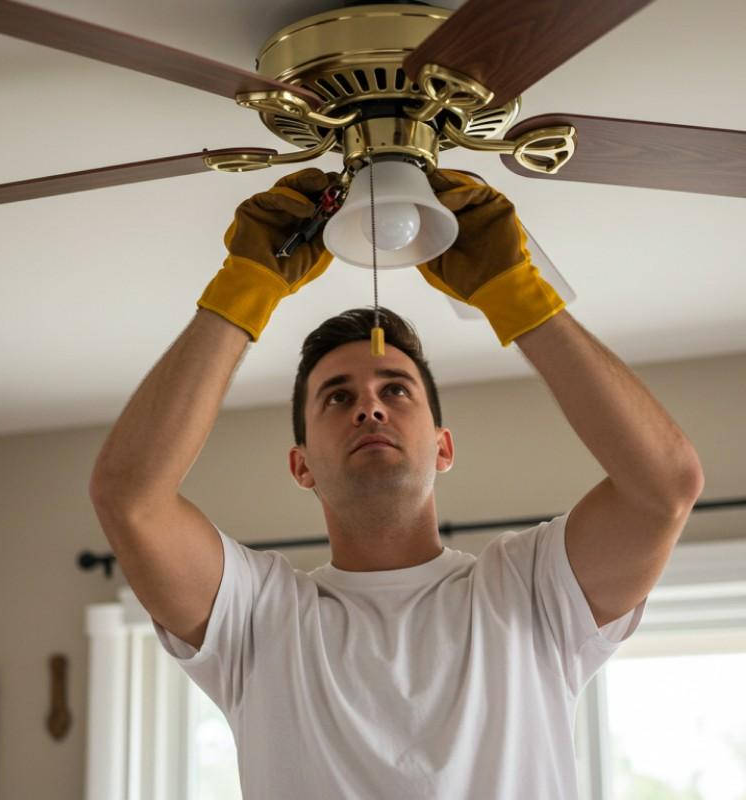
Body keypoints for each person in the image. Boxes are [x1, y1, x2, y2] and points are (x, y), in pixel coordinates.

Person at [89, 167, 704, 799]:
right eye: (337, 397)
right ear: (301, 465)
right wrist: (245, 287)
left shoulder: (529, 591)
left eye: (396, 391)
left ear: (443, 448)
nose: (370, 408)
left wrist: (514, 293)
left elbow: (664, 486)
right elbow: (130, 498)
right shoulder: (257, 617)